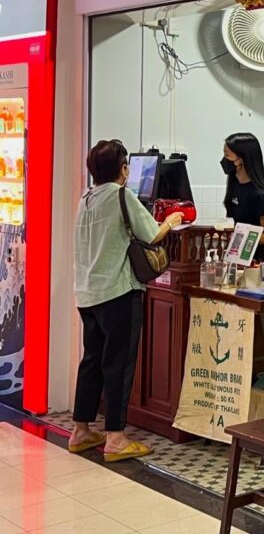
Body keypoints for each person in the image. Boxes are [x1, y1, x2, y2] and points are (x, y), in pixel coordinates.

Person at [71, 140, 184, 461]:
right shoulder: (123, 195)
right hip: (118, 292)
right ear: (123, 169)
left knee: (92, 360)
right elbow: (151, 235)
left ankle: (80, 430)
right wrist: (171, 221)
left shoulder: (86, 198)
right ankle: (116, 438)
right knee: (118, 365)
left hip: (87, 292)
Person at [223, 133, 264, 261]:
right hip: (236, 258)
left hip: (258, 262)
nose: (224, 160)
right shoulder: (234, 185)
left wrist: (239, 237)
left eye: (227, 155)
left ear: (242, 158)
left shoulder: (261, 195)